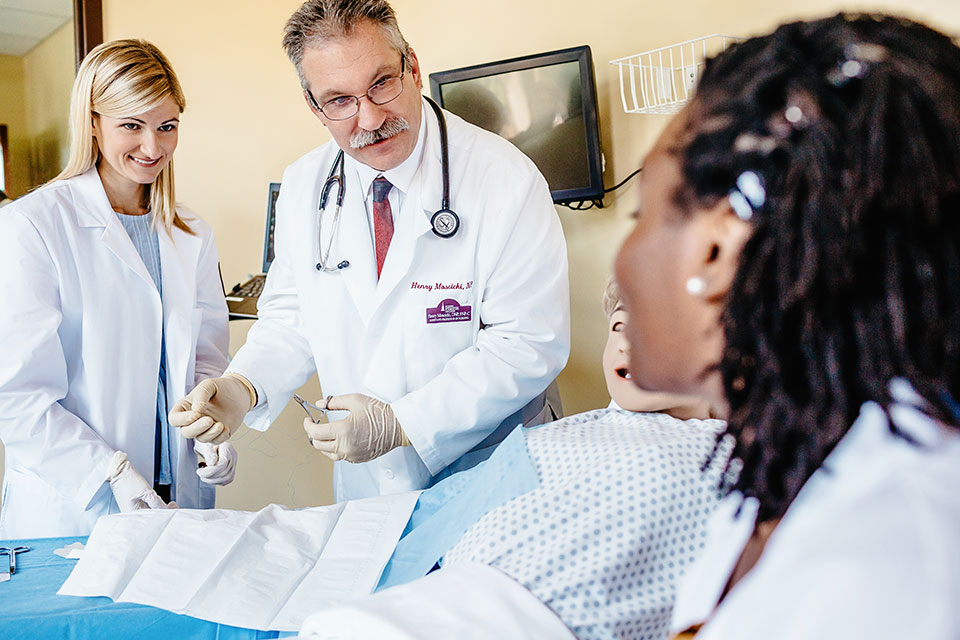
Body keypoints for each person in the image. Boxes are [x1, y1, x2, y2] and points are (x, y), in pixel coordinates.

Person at [613, 13, 960, 639]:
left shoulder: (880, 576)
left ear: (715, 251)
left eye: (641, 213)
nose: (624, 254)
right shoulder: (792, 451)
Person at [170, 0, 569, 502]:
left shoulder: (503, 179)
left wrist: (402, 423)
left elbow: (529, 342)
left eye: (382, 83)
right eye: (339, 100)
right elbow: (292, 317)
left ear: (413, 67)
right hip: (372, 488)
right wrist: (241, 388)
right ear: (314, 108)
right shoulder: (304, 186)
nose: (370, 117)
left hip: (493, 467)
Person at [295, 280, 730, 639]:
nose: (626, 344)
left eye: (658, 330)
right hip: (424, 582)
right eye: (619, 325)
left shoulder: (710, 460)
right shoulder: (576, 434)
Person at [0, 39, 233, 539]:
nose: (153, 148)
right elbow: (16, 396)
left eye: (167, 127)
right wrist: (108, 471)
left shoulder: (191, 232)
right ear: (92, 122)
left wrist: (215, 427)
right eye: (132, 125)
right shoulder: (32, 226)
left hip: (177, 500)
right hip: (79, 502)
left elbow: (206, 361)